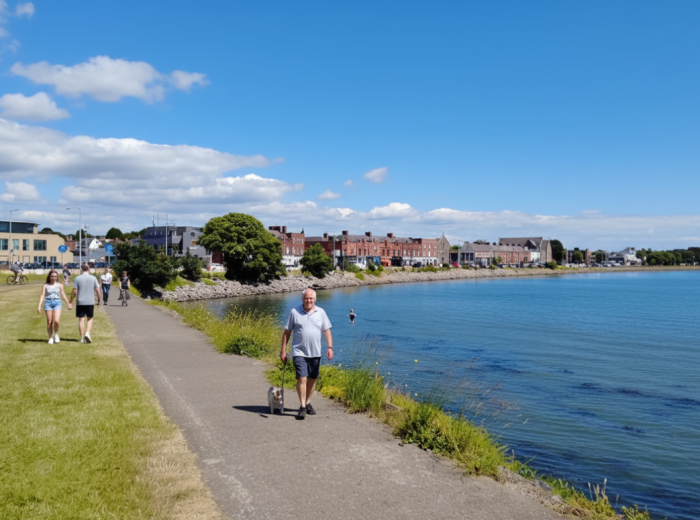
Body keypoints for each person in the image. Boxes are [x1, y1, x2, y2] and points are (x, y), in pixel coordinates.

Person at [280, 288, 333, 419]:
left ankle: (308, 402)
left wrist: (330, 347)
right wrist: (283, 350)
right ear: (302, 299)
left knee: (312, 379)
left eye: (311, 298)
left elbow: (326, 331)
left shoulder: (321, 312)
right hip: (299, 351)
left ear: (315, 299)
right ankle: (302, 406)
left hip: (315, 351)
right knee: (301, 378)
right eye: (306, 298)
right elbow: (287, 332)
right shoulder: (294, 312)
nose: (308, 300)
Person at [37, 269, 72, 344]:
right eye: (52, 276)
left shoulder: (59, 285)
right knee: (49, 322)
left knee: (56, 321)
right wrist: (39, 306)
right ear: (49, 277)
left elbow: (63, 295)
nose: (54, 278)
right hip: (48, 303)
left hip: (57, 302)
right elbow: (42, 295)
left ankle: (56, 334)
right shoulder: (45, 286)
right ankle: (50, 338)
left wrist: (68, 303)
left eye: (55, 276)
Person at [69, 263, 102, 343]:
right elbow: (98, 290)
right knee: (90, 318)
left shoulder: (77, 278)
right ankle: (87, 333)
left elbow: (74, 291)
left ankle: (82, 338)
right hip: (90, 301)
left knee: (81, 319)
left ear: (81, 269)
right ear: (89, 269)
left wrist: (70, 301)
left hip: (80, 301)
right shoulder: (93, 278)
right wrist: (99, 300)